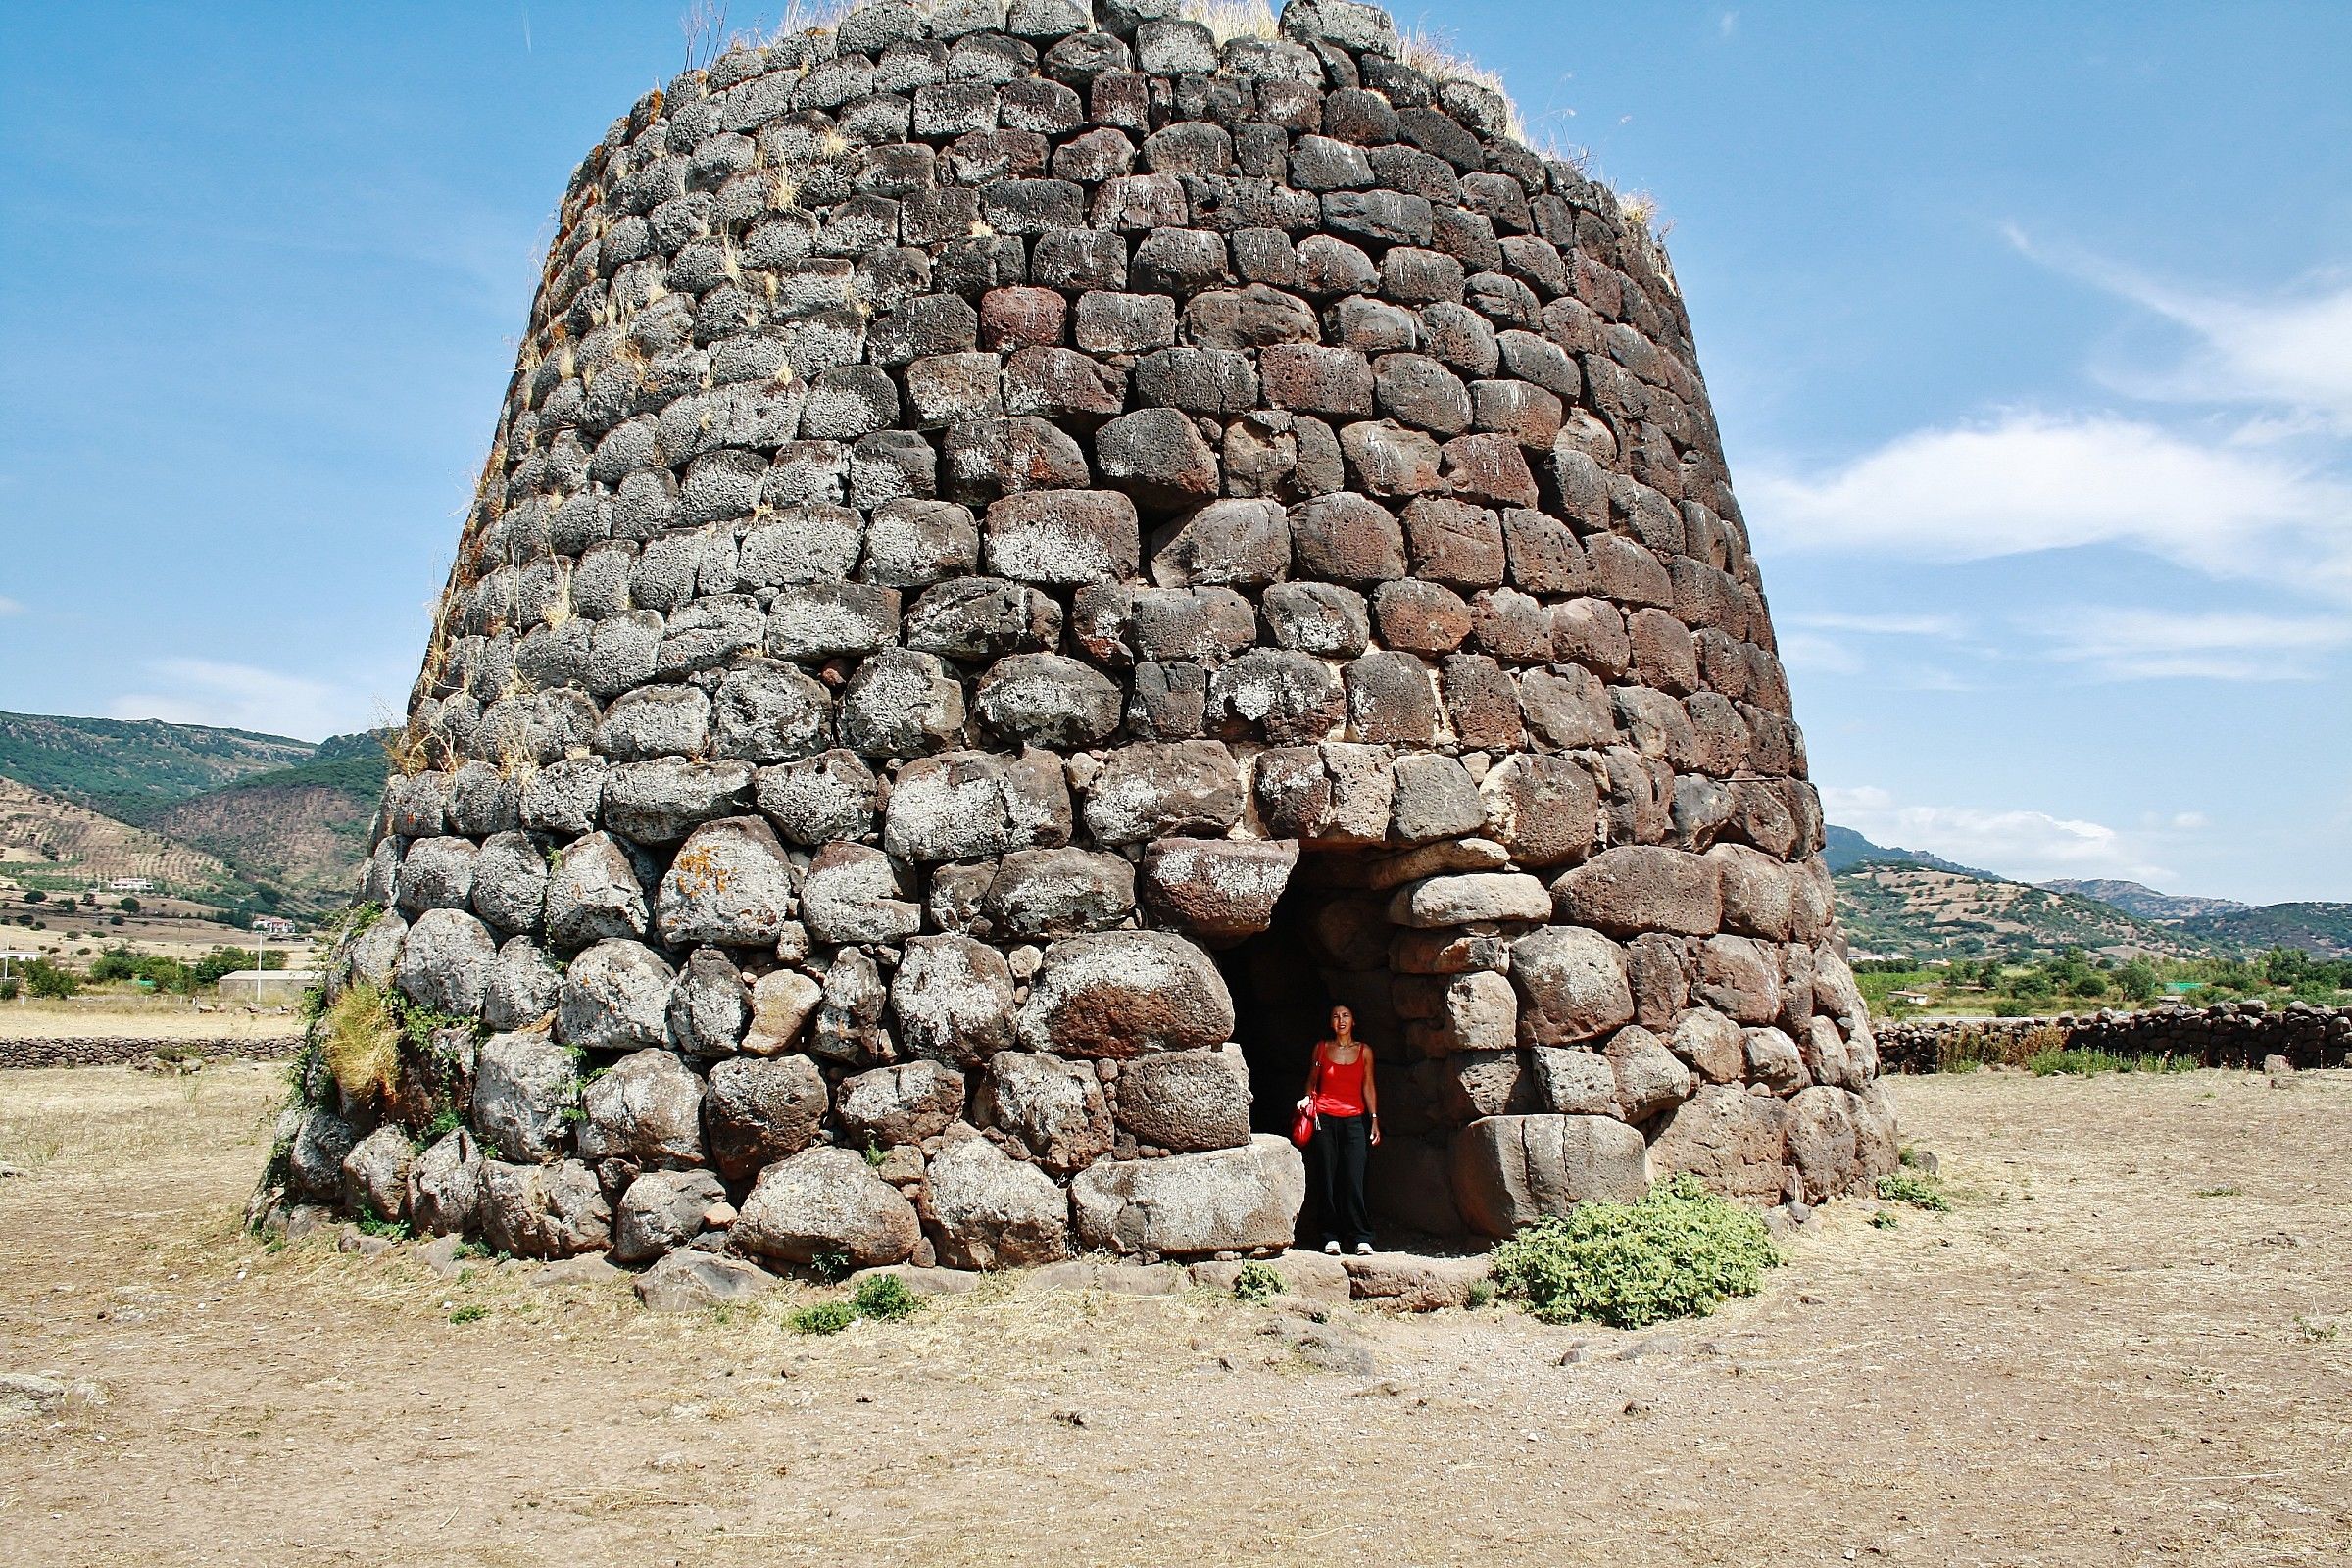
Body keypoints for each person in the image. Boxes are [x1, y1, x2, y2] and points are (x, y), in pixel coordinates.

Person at [1297, 1004, 1379, 1256]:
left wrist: (1374, 1118)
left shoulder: (1364, 1051)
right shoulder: (1322, 1049)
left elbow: (1368, 1085)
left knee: (1354, 1178)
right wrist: (1307, 1100)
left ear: (1354, 1021)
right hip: (1325, 1118)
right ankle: (1330, 1236)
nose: (1340, 1020)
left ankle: (1361, 1237)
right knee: (1327, 1179)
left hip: (1355, 1119)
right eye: (1335, 1016)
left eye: (1345, 1016)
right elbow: (1312, 1080)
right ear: (1330, 1023)